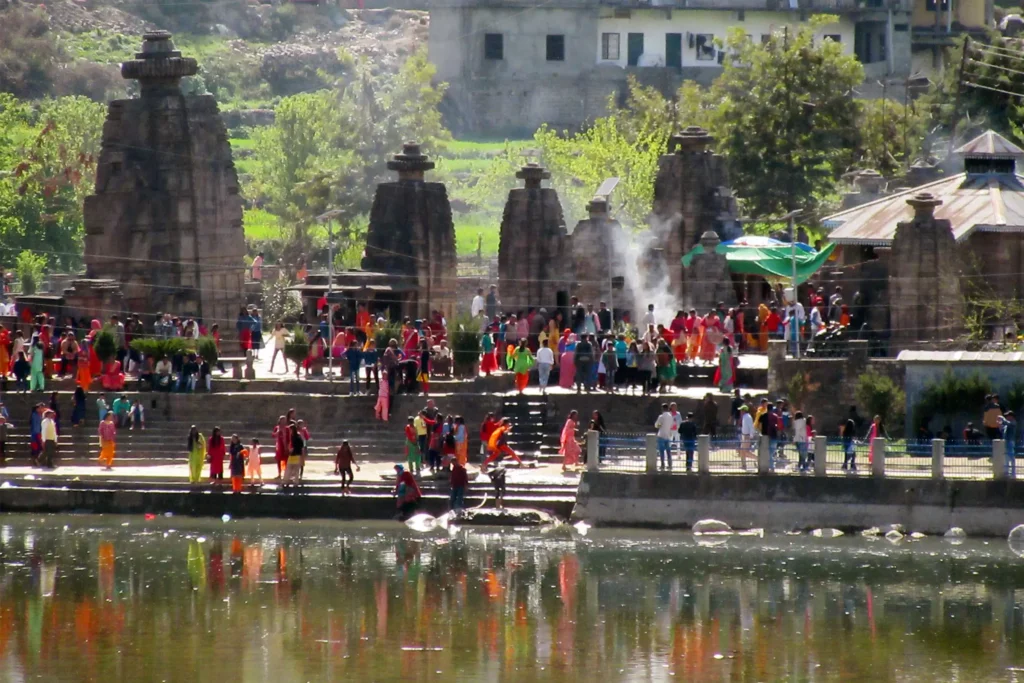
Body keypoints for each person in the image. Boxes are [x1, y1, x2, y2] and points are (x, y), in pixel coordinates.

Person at [283, 421, 305, 487]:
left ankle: (289, 482)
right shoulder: (294, 436)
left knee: (291, 468)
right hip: (295, 454)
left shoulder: (296, 437)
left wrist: (293, 449)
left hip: (295, 454)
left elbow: (300, 445)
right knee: (293, 469)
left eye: (290, 430)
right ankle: (291, 482)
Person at [655, 403, 675, 472]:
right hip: (668, 435)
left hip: (661, 435)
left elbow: (657, 425)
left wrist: (660, 425)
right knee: (668, 451)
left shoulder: (661, 416)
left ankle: (662, 464)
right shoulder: (670, 416)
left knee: (661, 451)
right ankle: (670, 464)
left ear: (663, 409)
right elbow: (672, 425)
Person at [1000, 412, 1017, 477]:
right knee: (1006, 457)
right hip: (1006, 442)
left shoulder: (1013, 422)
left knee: (1011, 457)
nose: (1007, 417)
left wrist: (1002, 419)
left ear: (1011, 416)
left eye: (1008, 416)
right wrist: (1001, 427)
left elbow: (1008, 423)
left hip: (1010, 442)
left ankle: (1013, 473)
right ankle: (1007, 472)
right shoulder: (1008, 424)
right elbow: (1003, 430)